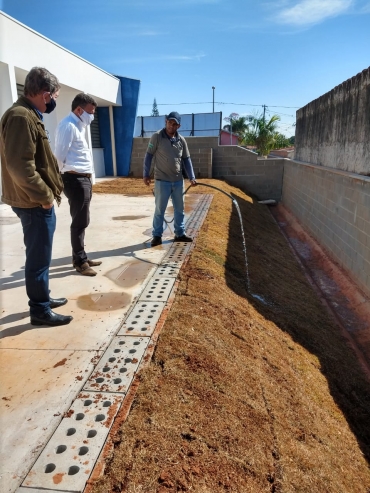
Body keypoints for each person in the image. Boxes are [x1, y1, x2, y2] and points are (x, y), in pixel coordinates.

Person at [0, 67, 73, 326]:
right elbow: (20, 166)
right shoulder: (21, 116)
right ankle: (40, 310)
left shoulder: (29, 114)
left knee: (41, 255)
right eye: (54, 95)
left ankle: (43, 297)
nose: (54, 100)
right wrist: (44, 196)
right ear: (45, 94)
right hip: (33, 202)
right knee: (38, 258)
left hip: (34, 200)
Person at [54, 93, 102, 276]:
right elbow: (59, 156)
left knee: (83, 220)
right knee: (79, 222)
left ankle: (81, 255)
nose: (92, 116)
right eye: (90, 112)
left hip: (83, 179)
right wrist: (59, 179)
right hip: (74, 179)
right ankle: (80, 262)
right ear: (79, 109)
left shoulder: (79, 125)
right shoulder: (68, 126)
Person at [143, 111, 197, 247]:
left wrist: (192, 177)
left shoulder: (181, 140)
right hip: (162, 181)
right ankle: (157, 235)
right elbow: (148, 155)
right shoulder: (156, 137)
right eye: (169, 122)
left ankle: (180, 233)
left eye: (174, 124)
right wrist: (146, 174)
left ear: (178, 126)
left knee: (180, 209)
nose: (171, 126)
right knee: (160, 210)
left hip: (178, 181)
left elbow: (187, 159)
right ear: (165, 121)